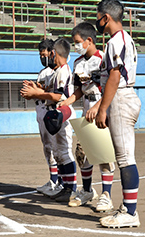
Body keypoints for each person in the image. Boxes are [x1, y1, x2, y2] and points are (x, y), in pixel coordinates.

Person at [87, 0, 141, 228]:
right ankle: (128, 208)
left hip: (120, 97)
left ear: (106, 18)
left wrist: (103, 107)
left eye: (98, 16)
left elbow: (115, 77)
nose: (97, 20)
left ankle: (130, 212)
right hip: (124, 96)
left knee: (125, 158)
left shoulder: (115, 41)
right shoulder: (125, 38)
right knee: (124, 157)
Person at [59, 22, 115, 211]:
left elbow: (109, 87)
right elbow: (79, 91)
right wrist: (66, 102)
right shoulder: (78, 63)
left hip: (102, 108)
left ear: (89, 40)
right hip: (86, 110)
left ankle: (107, 195)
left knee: (103, 153)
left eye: (77, 42)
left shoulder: (103, 59)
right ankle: (88, 190)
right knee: (82, 154)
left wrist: (99, 108)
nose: (75, 46)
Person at [21, 38, 77, 203]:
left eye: (50, 53)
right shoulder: (58, 71)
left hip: (61, 113)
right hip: (54, 113)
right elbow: (52, 91)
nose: (48, 56)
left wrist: (36, 93)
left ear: (55, 53)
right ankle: (64, 187)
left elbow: (60, 95)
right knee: (58, 153)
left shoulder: (63, 70)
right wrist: (37, 89)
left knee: (64, 153)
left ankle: (71, 188)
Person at [33, 39, 63, 197]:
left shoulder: (57, 70)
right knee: (47, 148)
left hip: (51, 111)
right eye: (40, 55)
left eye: (45, 54)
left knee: (56, 148)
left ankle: (61, 182)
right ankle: (53, 180)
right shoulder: (43, 71)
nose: (43, 58)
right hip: (41, 109)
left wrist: (37, 91)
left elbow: (56, 93)